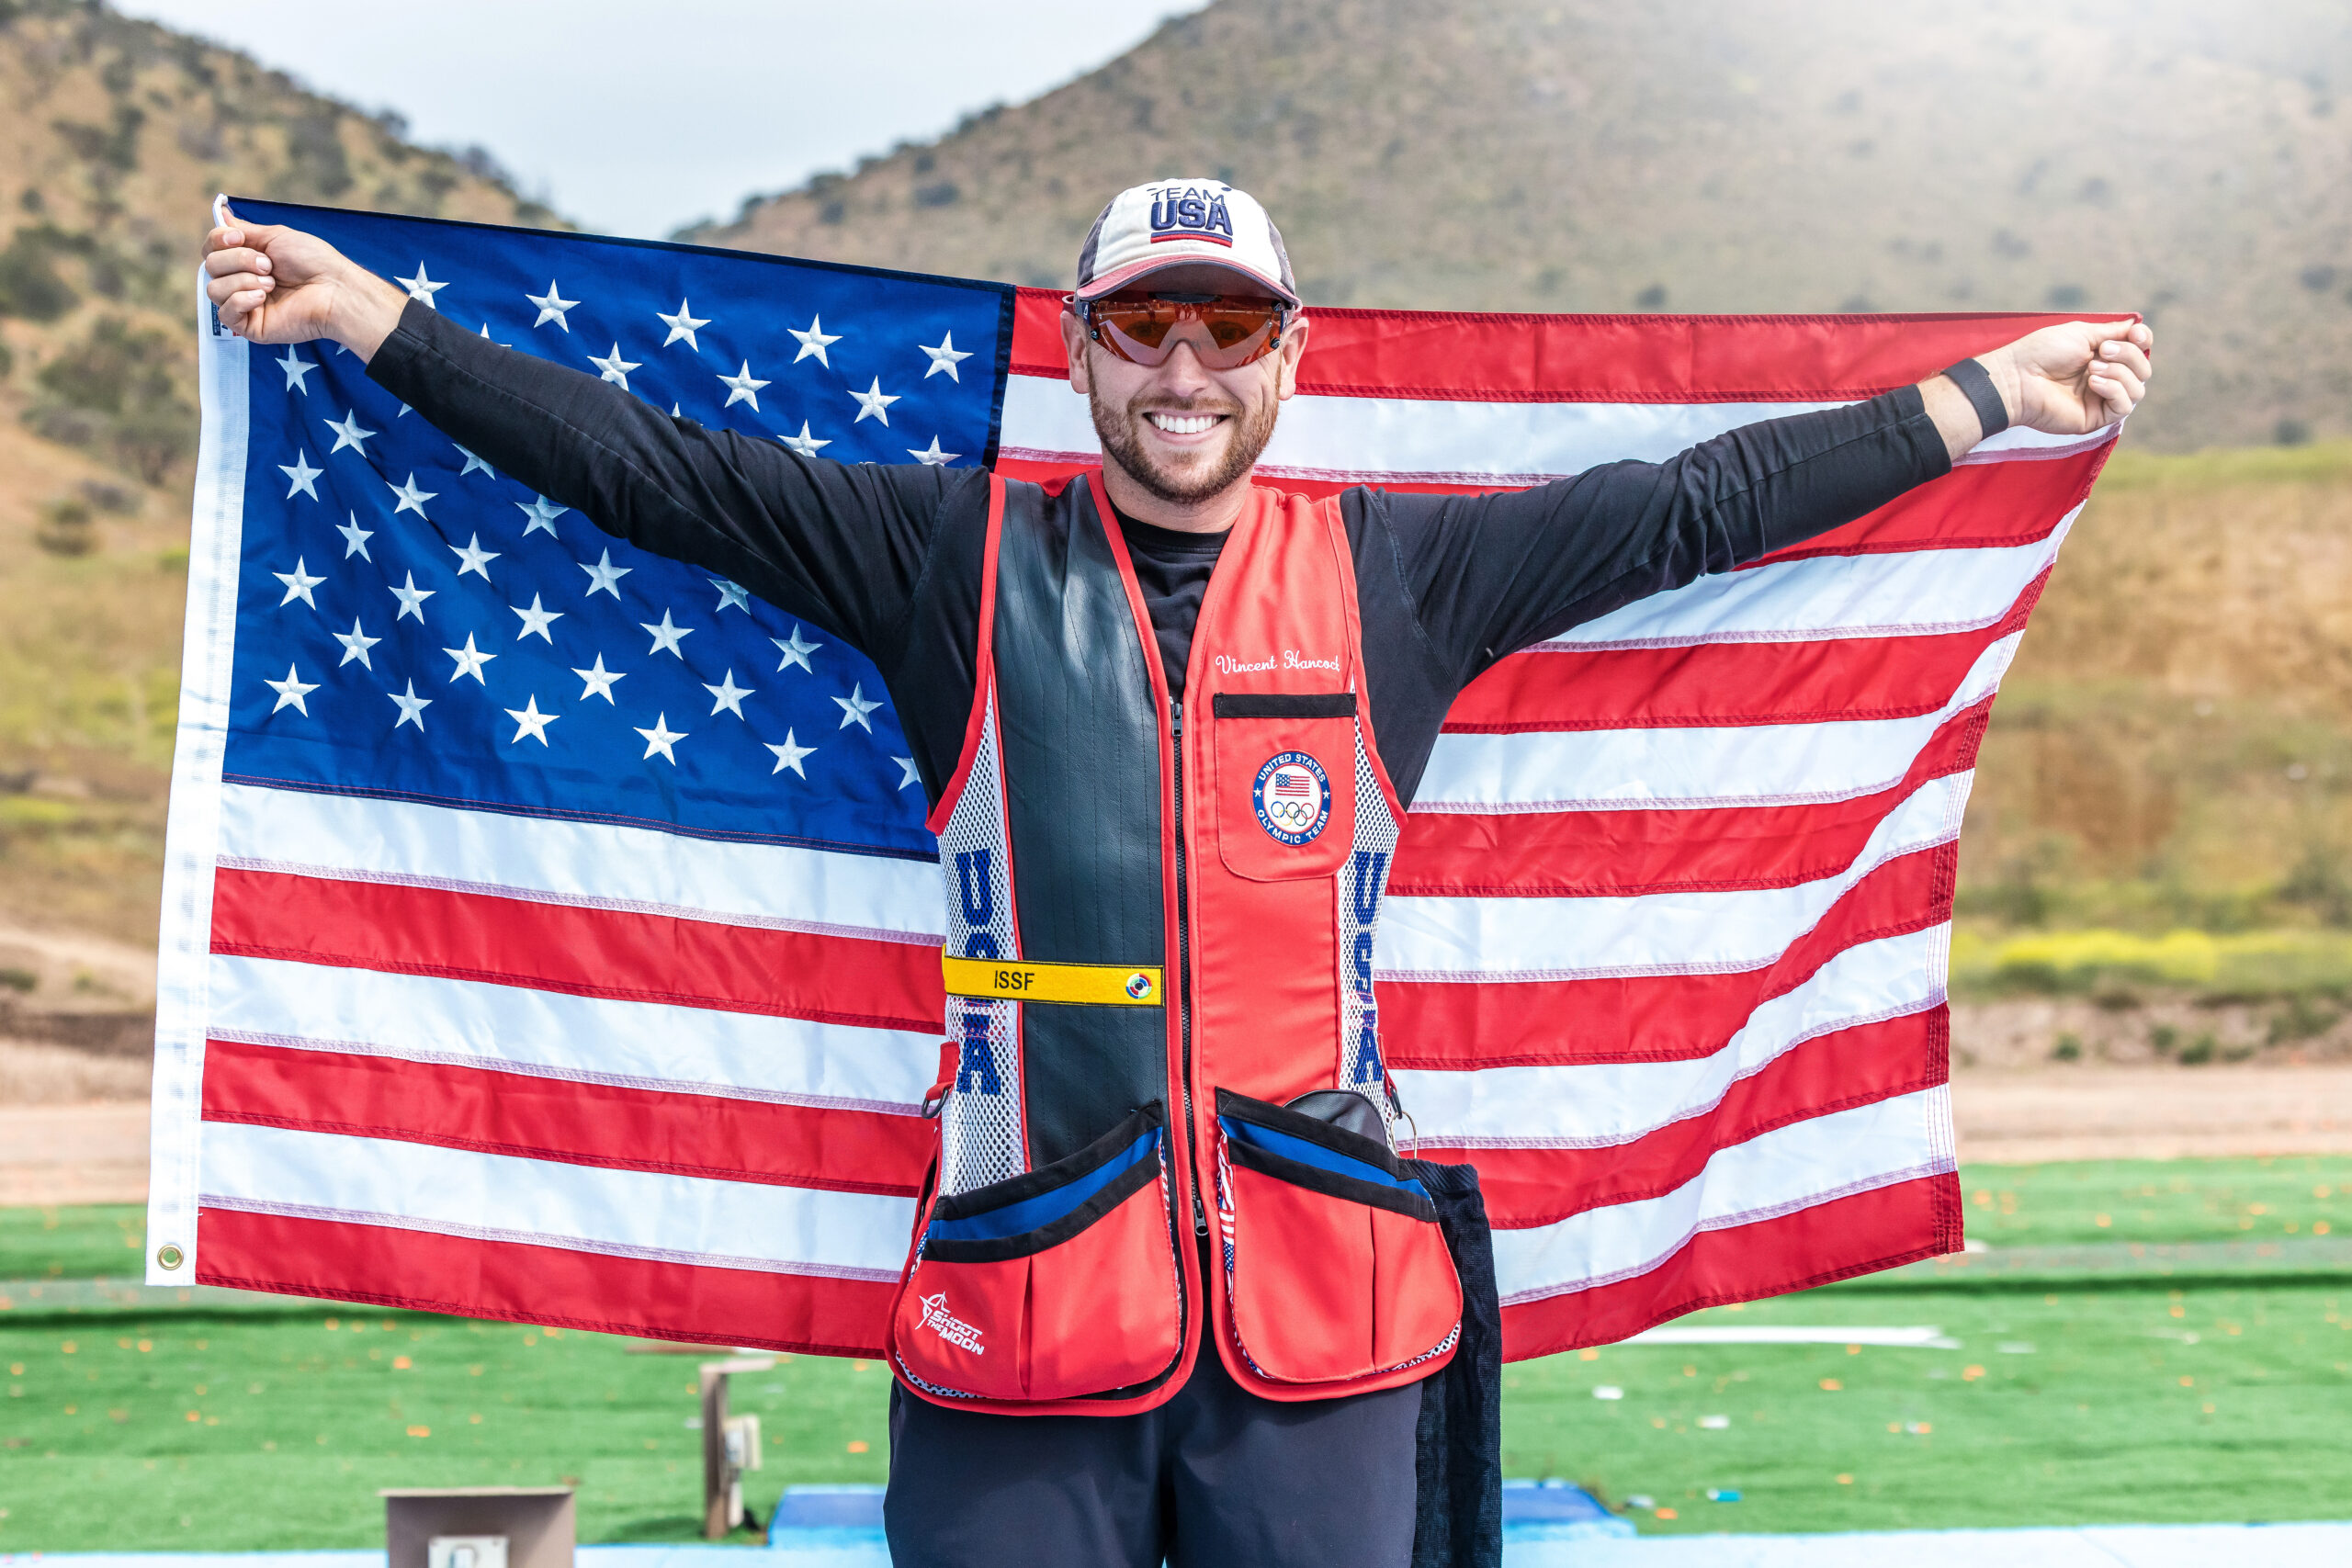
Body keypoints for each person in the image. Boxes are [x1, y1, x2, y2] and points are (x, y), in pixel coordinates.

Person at [202, 178, 2152, 1568]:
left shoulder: (1404, 572)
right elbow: (647, 467)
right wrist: (373, 318)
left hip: (1324, 1297)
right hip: (1025, 1283)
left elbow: (1700, 504)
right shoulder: (937, 556)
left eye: (1227, 328)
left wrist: (1987, 397)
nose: (1184, 368)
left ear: (1284, 359)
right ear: (1080, 348)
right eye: (1144, 325)